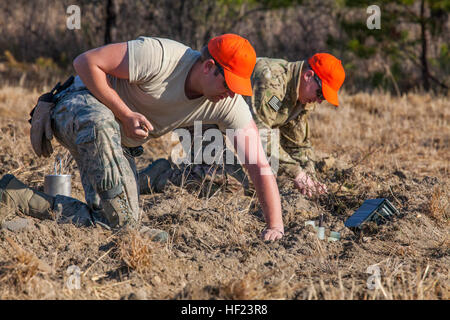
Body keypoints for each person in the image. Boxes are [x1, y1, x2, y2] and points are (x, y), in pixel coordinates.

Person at [0, 34, 284, 241]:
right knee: (101, 122)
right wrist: (124, 114)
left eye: (237, 88)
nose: (231, 93)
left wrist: (275, 225)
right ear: (209, 66)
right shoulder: (159, 56)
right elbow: (86, 62)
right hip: (77, 105)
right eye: (228, 84)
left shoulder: (226, 103)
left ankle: (16, 196)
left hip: (117, 142)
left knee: (120, 224)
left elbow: (259, 165)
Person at [139, 53, 345, 198]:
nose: (319, 101)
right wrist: (296, 173)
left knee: (259, 185)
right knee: (230, 186)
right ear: (308, 76)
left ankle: (198, 168)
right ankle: (162, 175)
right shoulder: (271, 80)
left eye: (324, 98)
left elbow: (298, 145)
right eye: (320, 94)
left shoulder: (301, 99)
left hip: (227, 128)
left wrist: (311, 181)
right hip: (200, 119)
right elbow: (260, 136)